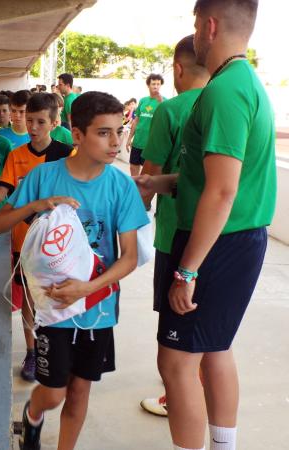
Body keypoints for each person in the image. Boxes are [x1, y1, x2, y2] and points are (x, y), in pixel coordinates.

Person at [136, 1, 276, 448]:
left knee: (176, 364)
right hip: (236, 239)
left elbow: (221, 191)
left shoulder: (224, 92)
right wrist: (161, 181)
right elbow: (210, 177)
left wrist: (187, 270)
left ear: (210, 26)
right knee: (215, 349)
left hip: (217, 245)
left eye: (197, 24)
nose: (196, 33)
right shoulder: (244, 83)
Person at [0, 91, 149, 450]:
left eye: (119, 131)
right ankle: (33, 414)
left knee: (79, 391)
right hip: (52, 308)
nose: (116, 142)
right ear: (77, 135)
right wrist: (38, 204)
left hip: (98, 310)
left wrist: (88, 289)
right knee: (55, 392)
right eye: (104, 132)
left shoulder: (120, 185)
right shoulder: (44, 176)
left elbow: (129, 257)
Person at [138, 35, 210, 418]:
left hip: (177, 235)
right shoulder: (225, 104)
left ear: (177, 70)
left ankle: (178, 399)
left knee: (176, 336)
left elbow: (150, 177)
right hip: (221, 236)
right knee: (210, 332)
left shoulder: (172, 110)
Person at [0, 93, 73, 382]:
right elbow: (2, 193)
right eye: (29, 120)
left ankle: (58, 347)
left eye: (40, 121)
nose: (33, 126)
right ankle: (31, 351)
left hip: (60, 244)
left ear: (53, 122)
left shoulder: (67, 155)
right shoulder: (16, 156)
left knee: (59, 294)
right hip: (24, 243)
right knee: (29, 297)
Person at [126, 74, 165, 176]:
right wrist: (129, 138)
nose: (156, 86)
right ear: (148, 85)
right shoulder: (143, 100)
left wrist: (161, 103)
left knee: (147, 174)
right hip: (137, 141)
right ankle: (134, 190)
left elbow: (166, 121)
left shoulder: (165, 101)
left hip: (150, 144)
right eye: (153, 84)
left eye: (158, 84)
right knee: (133, 168)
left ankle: (142, 191)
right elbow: (136, 120)